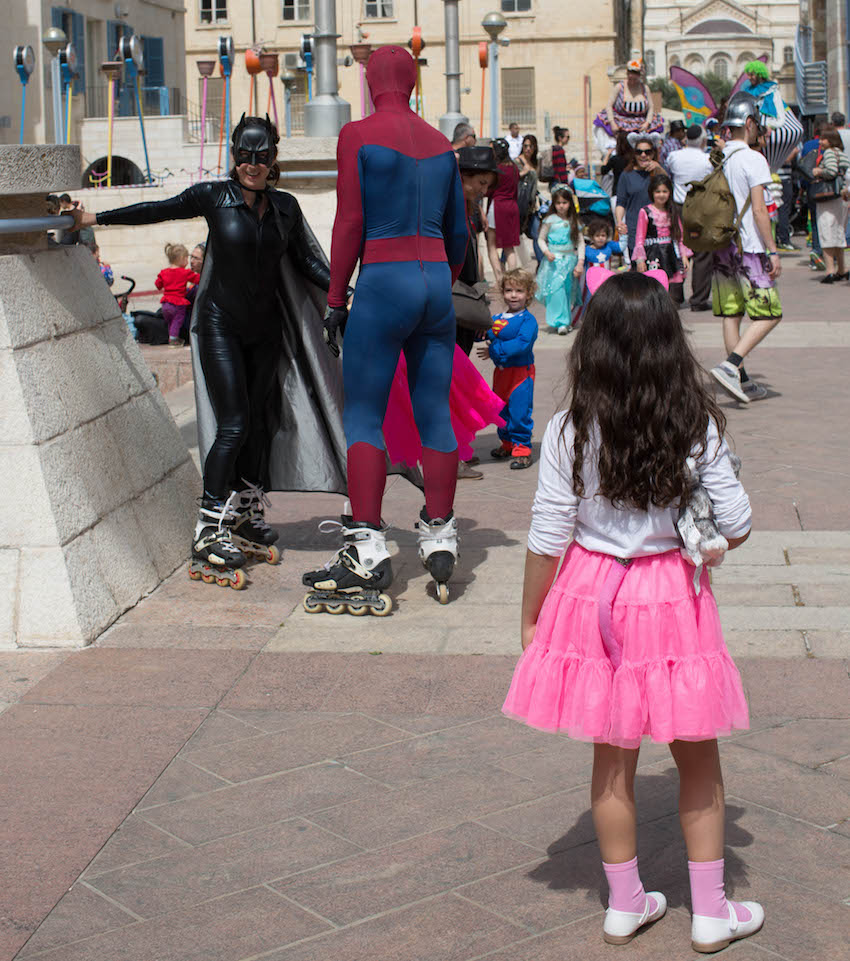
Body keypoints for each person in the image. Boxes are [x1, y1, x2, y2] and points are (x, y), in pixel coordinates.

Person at [503, 269, 761, 953]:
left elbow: (547, 533)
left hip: (592, 594)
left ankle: (625, 901)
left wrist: (532, 617)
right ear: (670, 344)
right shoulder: (692, 424)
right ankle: (710, 910)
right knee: (696, 756)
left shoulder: (567, 430)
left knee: (611, 757)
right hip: (669, 596)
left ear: (593, 344)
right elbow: (737, 521)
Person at [73, 114, 345, 587]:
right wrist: (92, 218)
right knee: (234, 424)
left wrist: (348, 295)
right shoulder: (213, 197)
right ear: (234, 154)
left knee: (258, 424)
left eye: (261, 156)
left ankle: (240, 514)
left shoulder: (285, 208)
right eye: (244, 154)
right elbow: (158, 208)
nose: (252, 164)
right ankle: (207, 527)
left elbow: (307, 262)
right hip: (220, 327)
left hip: (266, 333)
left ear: (274, 157)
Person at [302, 45, 468, 611]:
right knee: (434, 413)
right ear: (415, 81)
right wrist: (440, 278)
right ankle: (441, 532)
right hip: (435, 281)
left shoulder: (357, 134)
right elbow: (460, 236)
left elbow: (349, 221)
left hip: (384, 278)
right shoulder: (443, 145)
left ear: (372, 82)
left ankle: (367, 544)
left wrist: (334, 296)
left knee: (365, 414)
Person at [709, 92, 782, 404]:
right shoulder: (754, 158)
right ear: (749, 123)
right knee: (769, 313)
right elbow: (759, 210)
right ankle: (731, 365)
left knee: (732, 313)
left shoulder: (721, 158)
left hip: (723, 246)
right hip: (748, 247)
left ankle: (741, 380)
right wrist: (773, 250)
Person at [477, 268, 537, 470]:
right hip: (501, 374)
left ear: (528, 294)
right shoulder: (498, 318)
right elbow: (487, 332)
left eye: (519, 291)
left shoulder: (528, 321)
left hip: (521, 374)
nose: (513, 295)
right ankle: (507, 444)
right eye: (509, 290)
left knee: (519, 412)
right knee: (501, 410)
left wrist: (494, 350)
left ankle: (522, 450)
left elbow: (522, 344)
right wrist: (475, 329)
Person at [666, 125, 713, 310]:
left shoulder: (674, 156)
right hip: (700, 207)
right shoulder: (707, 160)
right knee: (702, 254)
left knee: (677, 250)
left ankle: (675, 296)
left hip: (678, 207)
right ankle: (699, 300)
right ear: (703, 140)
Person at [633, 173, 691, 305]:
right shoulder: (645, 211)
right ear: (652, 193)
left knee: (672, 288)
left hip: (670, 253)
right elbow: (639, 238)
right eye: (658, 191)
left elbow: (679, 235)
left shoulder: (673, 211)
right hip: (653, 254)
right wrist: (640, 259)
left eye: (665, 191)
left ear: (670, 193)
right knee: (654, 287)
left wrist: (684, 256)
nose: (661, 195)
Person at [536, 184, 585, 333]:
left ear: (570, 203)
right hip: (554, 262)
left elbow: (580, 242)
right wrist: (546, 252)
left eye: (564, 202)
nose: (561, 206)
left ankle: (566, 320)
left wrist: (580, 262)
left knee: (567, 291)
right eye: (558, 203)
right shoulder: (549, 220)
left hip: (570, 260)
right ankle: (560, 322)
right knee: (556, 291)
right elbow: (541, 239)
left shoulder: (574, 221)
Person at [811, 126, 849, 283]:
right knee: (839, 232)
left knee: (826, 231)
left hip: (827, 198)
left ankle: (830, 271)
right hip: (841, 197)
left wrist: (819, 172)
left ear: (830, 140)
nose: (820, 141)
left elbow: (831, 171)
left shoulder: (828, 153)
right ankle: (842, 268)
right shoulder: (842, 153)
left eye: (823, 139)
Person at [615, 136, 663, 256]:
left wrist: (659, 169)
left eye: (647, 152)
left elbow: (669, 191)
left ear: (653, 154)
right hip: (635, 229)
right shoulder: (626, 175)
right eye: (639, 152)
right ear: (634, 154)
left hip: (658, 229)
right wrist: (620, 221)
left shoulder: (658, 172)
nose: (643, 155)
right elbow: (621, 202)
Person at [485, 138, 521, 281]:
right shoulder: (514, 168)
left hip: (497, 207)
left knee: (492, 245)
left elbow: (489, 191)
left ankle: (500, 279)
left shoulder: (496, 169)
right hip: (512, 207)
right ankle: (513, 279)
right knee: (509, 247)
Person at [601, 59, 663, 137]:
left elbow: (651, 107)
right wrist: (612, 123)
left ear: (639, 76)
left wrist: (647, 123)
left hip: (641, 125)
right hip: (621, 123)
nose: (632, 82)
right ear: (627, 74)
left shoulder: (645, 88)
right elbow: (609, 105)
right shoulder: (619, 87)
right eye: (630, 79)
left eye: (635, 79)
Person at [155, 243, 201, 347]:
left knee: (171, 322)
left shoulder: (164, 272)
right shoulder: (184, 272)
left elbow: (158, 284)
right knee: (177, 320)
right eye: (186, 258)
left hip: (165, 303)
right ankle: (173, 340)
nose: (187, 261)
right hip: (178, 303)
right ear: (181, 259)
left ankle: (172, 336)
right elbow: (197, 279)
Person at [600, 130, 633, 198]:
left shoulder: (615, 159)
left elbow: (603, 170)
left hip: (618, 191)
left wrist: (608, 154)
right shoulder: (634, 159)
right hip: (632, 191)